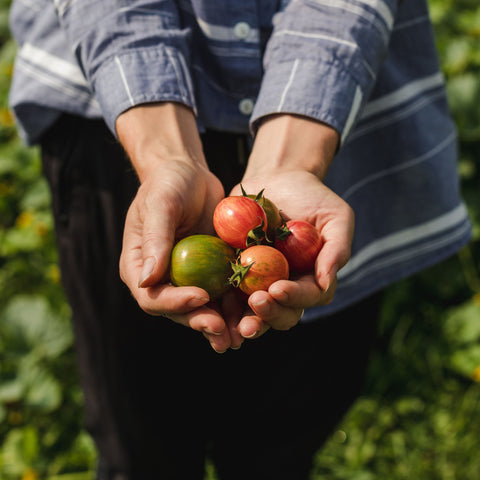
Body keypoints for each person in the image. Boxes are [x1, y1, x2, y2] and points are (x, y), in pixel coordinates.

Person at [8, 0, 471, 479]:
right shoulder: (249, 235)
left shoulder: (267, 231)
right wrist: (167, 156)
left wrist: (292, 159)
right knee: (137, 439)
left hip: (337, 123)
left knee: (286, 434)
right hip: (113, 117)